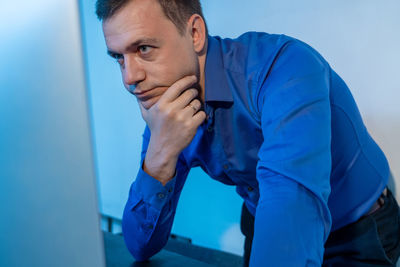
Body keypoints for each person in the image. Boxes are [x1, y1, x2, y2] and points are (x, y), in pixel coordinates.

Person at [96, 0, 400, 265]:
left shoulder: (285, 68)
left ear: (195, 33)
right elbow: (140, 246)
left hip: (357, 227)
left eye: (144, 48)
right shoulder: (166, 113)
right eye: (118, 57)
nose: (130, 77)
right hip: (265, 219)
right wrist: (159, 155)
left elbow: (290, 200)